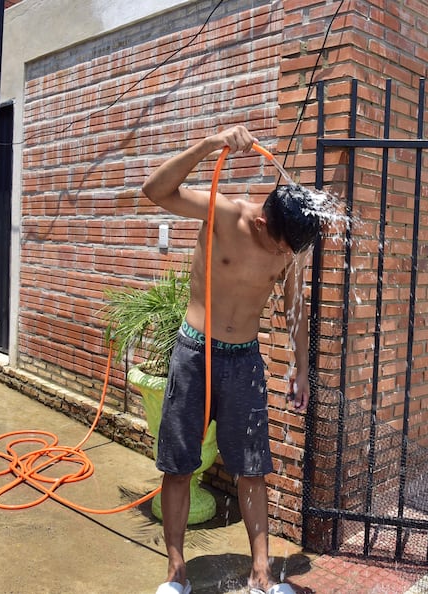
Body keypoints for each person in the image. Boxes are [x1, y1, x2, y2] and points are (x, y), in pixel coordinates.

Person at [142, 125, 321, 594]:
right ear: (263, 222)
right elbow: (155, 190)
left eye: (291, 252)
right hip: (194, 353)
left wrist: (302, 368)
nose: (285, 257)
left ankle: (262, 574)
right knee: (179, 466)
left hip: (244, 361)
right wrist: (208, 146)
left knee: (253, 467)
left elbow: (295, 311)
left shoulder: (291, 249)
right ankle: (176, 573)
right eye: (282, 247)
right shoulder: (224, 212)